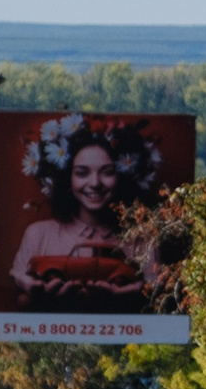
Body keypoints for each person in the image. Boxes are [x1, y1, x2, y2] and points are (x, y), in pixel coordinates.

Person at [10, 119, 165, 312]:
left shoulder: (143, 238)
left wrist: (130, 294)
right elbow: (19, 293)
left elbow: (156, 295)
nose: (94, 183)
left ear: (123, 175)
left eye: (107, 172)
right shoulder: (38, 233)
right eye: (82, 173)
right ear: (67, 178)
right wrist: (35, 291)